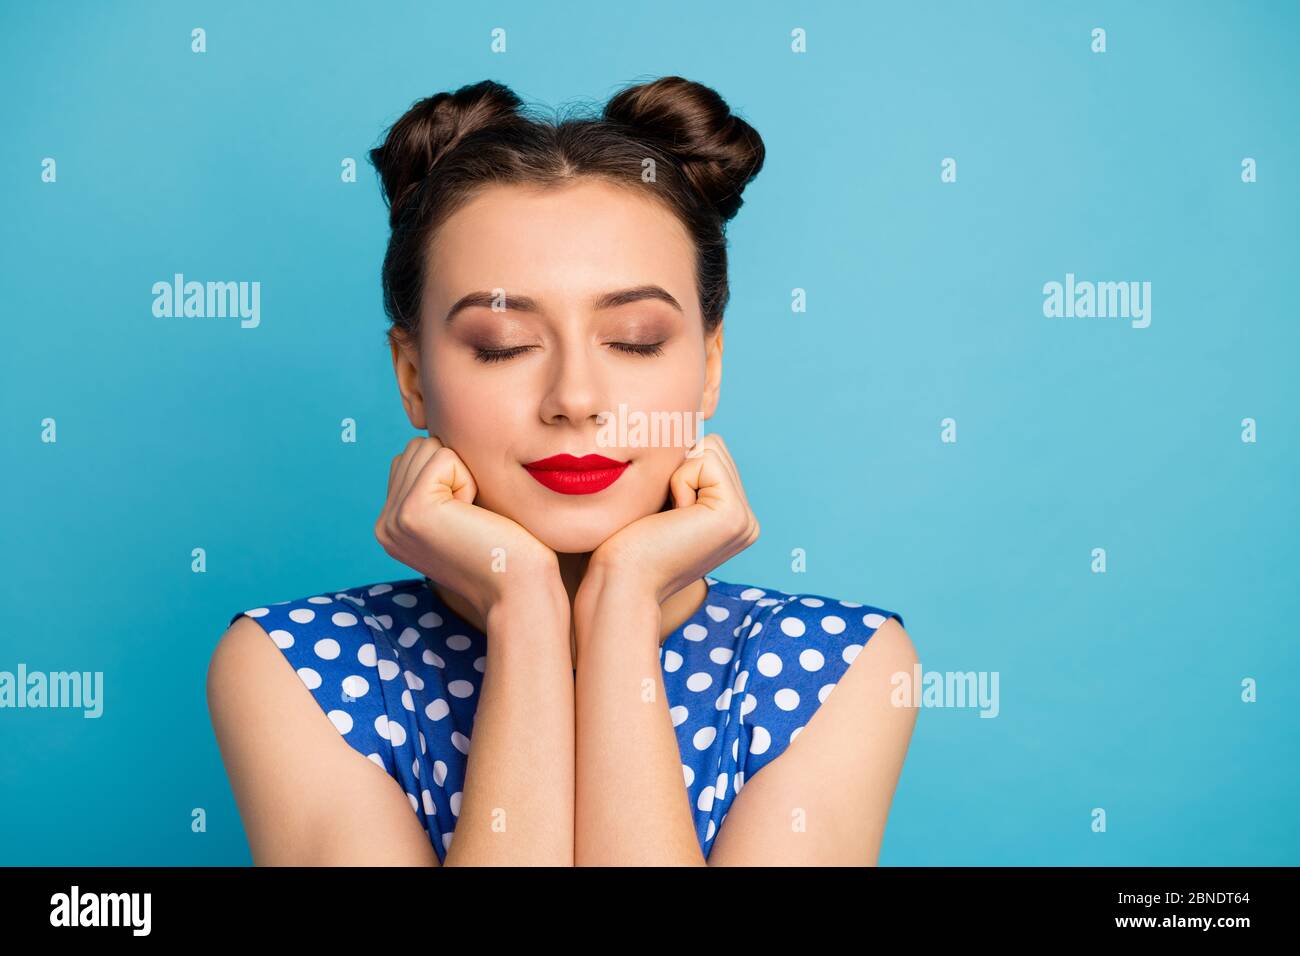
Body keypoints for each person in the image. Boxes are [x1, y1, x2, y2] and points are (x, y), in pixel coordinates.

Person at [207, 75, 919, 866]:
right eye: (502, 345)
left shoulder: (843, 667)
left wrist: (623, 603)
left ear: (709, 365)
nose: (575, 400)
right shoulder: (296, 668)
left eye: (636, 339)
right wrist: (526, 611)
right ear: (412, 376)